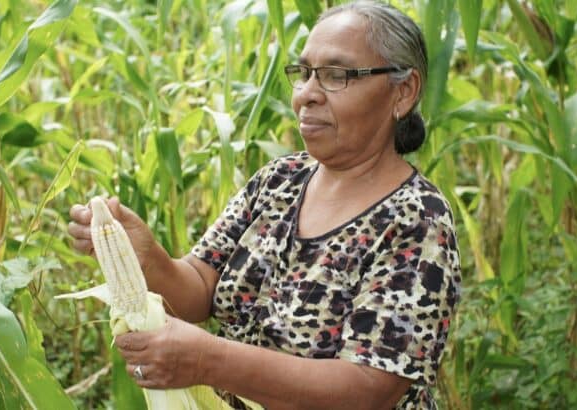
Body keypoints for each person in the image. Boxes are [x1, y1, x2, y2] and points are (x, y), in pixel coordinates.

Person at [69, 1, 461, 408]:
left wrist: (208, 360)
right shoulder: (280, 180)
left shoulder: (417, 220)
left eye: (335, 75)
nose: (307, 95)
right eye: (304, 73)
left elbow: (367, 389)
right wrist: (146, 259)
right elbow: (200, 288)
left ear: (403, 92)